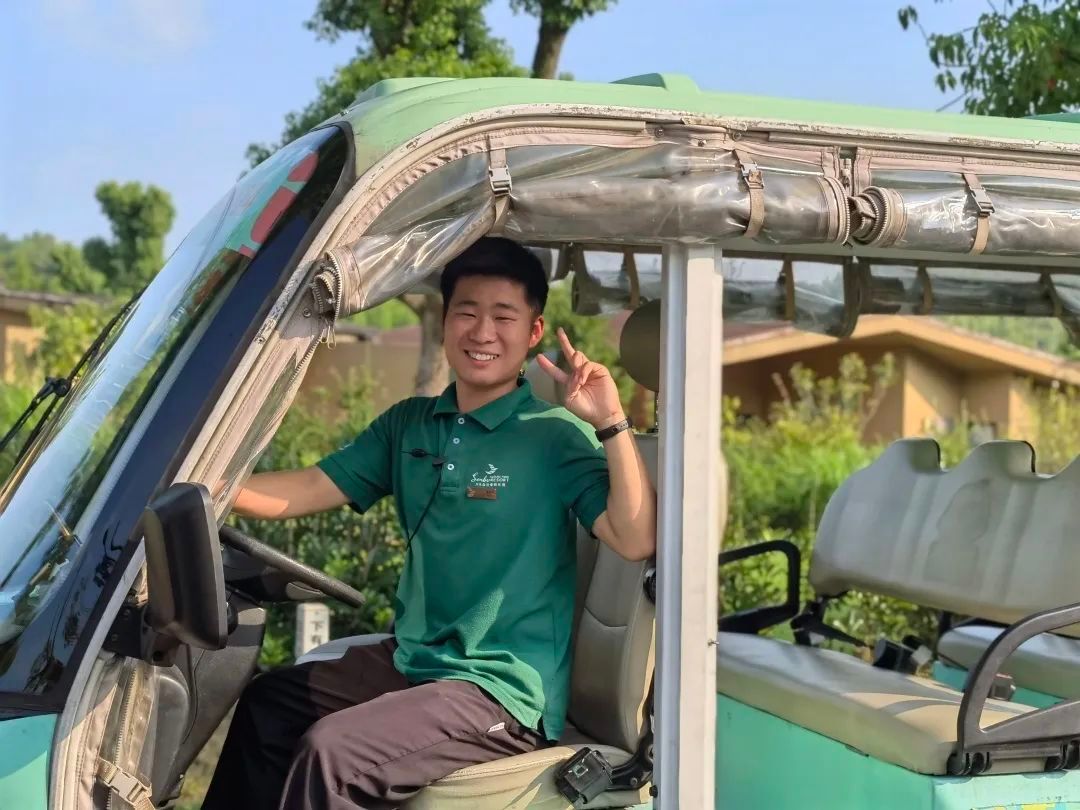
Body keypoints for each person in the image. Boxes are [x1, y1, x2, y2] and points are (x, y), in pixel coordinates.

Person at [202, 236, 657, 809]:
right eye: (466, 312)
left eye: (503, 317)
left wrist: (612, 421)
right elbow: (312, 486)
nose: (482, 332)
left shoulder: (553, 434)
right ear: (445, 322)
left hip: (500, 689)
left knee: (333, 754)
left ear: (533, 332)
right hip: (416, 662)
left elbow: (634, 538)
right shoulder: (410, 425)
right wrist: (207, 490)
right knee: (268, 705)